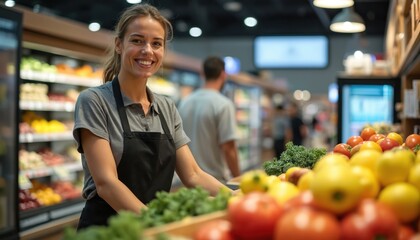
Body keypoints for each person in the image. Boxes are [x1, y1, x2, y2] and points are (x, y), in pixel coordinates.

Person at [73, 4, 230, 230]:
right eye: (137, 41)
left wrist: (235, 199)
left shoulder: (166, 107)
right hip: (109, 229)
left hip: (152, 229)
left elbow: (193, 174)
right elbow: (106, 184)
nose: (148, 50)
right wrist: (158, 224)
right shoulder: (94, 101)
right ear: (119, 44)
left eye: (156, 43)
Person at [177, 56, 241, 183]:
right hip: (214, 181)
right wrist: (238, 178)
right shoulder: (223, 104)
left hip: (187, 179)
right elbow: (229, 148)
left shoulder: (185, 102)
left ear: (202, 74)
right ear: (223, 75)